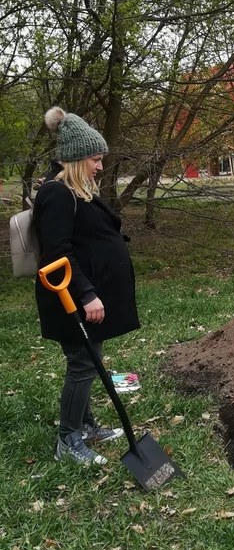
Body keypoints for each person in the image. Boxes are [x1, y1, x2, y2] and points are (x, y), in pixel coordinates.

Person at [34, 106, 140, 466]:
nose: (100, 166)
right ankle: (68, 438)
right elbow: (57, 253)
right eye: (95, 159)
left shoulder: (76, 190)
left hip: (82, 294)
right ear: (77, 158)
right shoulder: (57, 195)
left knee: (89, 360)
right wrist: (87, 294)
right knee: (82, 363)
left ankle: (86, 425)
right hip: (70, 297)